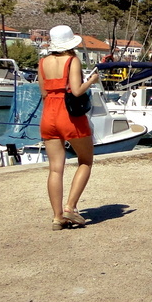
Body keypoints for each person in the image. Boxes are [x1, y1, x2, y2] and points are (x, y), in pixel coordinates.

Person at [38, 24, 99, 231]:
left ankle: (57, 217)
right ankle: (70, 207)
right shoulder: (72, 60)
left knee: (55, 168)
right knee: (85, 161)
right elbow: (76, 90)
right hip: (69, 116)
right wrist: (91, 80)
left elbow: (44, 92)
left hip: (49, 114)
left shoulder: (42, 62)